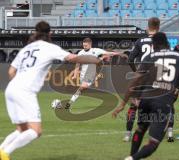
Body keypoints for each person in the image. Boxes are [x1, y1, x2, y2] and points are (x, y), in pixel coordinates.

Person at [0, 21, 110, 160]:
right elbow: (73, 58)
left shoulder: (26, 49)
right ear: (49, 33)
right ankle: (5, 153)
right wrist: (96, 60)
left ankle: (1, 151)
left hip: (11, 89)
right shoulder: (49, 48)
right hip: (25, 91)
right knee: (36, 131)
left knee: (22, 130)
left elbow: (11, 71)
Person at [112, 32, 179, 160]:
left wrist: (122, 104)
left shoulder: (149, 56)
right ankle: (132, 158)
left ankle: (132, 156)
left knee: (140, 129)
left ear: (154, 45)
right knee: (153, 143)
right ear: (166, 43)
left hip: (146, 99)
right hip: (163, 102)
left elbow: (135, 81)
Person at [123, 17, 160, 142]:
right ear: (158, 28)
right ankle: (154, 133)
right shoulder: (161, 42)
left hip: (142, 75)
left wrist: (135, 72)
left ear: (147, 28)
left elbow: (129, 59)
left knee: (134, 104)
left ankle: (128, 134)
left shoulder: (140, 41)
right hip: (156, 75)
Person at [66, 37, 125, 108]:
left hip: (90, 73)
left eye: (86, 45)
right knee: (82, 89)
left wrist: (119, 54)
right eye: (83, 46)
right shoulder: (80, 53)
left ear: (90, 44)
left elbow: (108, 53)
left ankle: (69, 103)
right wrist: (75, 75)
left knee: (82, 87)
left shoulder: (96, 51)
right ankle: (96, 78)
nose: (84, 47)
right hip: (83, 74)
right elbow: (77, 64)